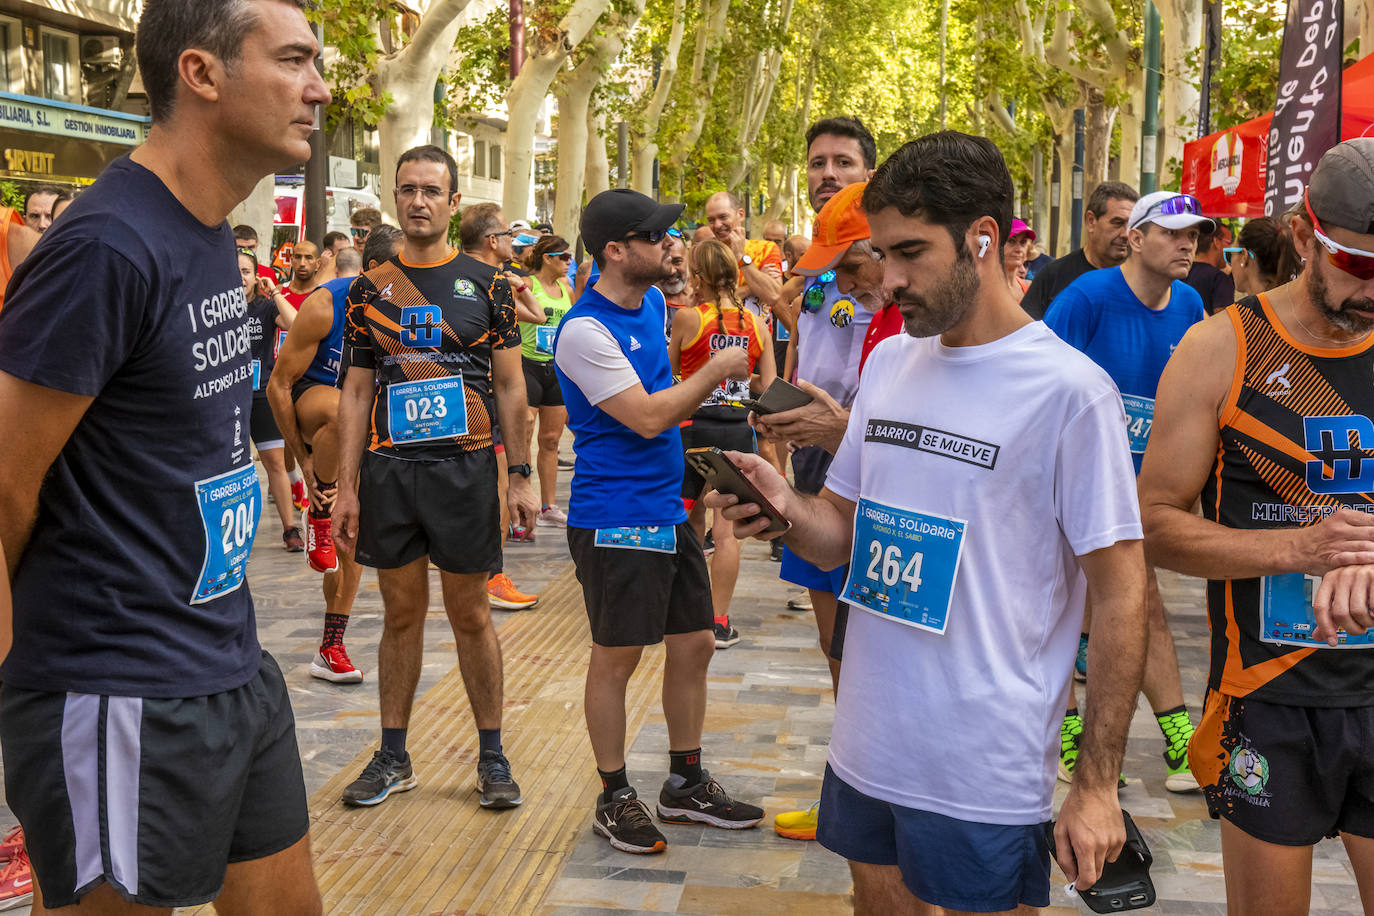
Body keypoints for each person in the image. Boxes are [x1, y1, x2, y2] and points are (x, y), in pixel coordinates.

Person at [711, 130, 1148, 912]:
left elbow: (1122, 594)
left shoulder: (1071, 393)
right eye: (881, 254)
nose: (889, 279)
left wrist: (1097, 785)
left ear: (983, 238)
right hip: (867, 746)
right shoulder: (889, 363)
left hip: (983, 764)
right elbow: (841, 527)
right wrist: (779, 507)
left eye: (910, 252)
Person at [0, 1, 331, 911]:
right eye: (295, 60)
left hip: (231, 666)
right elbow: (2, 483)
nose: (319, 87)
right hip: (115, 686)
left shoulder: (206, 226)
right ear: (201, 73)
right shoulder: (106, 245)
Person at [1140, 138, 1374, 915]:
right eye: (1361, 265)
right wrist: (1301, 549)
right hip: (1269, 696)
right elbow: (1152, 525)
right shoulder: (1220, 348)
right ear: (1305, 238)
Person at [554, 188, 765, 855]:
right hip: (614, 515)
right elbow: (646, 415)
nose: (669, 245)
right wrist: (719, 371)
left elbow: (659, 382)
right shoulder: (585, 332)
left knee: (696, 643)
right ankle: (614, 794)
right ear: (616, 252)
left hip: (664, 507)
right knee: (618, 657)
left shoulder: (649, 302)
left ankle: (685, 780)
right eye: (655, 238)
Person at [333, 144, 537, 810]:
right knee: (399, 615)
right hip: (391, 472)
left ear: (453, 202)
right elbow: (356, 392)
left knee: (471, 613)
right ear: (395, 199)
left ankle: (493, 756)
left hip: (466, 469)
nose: (417, 201)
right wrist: (346, 486)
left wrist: (521, 474)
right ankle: (393, 755)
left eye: (431, 190)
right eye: (407, 189)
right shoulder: (370, 289)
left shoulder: (490, 285)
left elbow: (511, 386)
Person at [1045, 190, 1210, 794]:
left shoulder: (1191, 304)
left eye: (1195, 233)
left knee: (1143, 607)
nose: (1187, 243)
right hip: (1067, 486)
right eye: (1172, 232)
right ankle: (1063, 731)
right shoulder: (1084, 299)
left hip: (1140, 495)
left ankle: (1179, 743)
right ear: (1136, 238)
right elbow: (1039, 383)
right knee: (1063, 607)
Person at [763, 117, 877, 843]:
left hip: (881, 456)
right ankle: (847, 797)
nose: (828, 173)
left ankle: (877, 801)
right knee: (837, 648)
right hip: (815, 456)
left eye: (843, 161)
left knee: (876, 644)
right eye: (818, 163)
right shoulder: (813, 267)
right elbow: (805, 348)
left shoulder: (889, 259)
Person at [270, 230, 401, 686]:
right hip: (317, 407)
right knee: (343, 410)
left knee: (352, 543)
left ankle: (331, 647)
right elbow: (278, 385)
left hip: (367, 426)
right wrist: (303, 462)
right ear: (372, 273)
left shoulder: (415, 309)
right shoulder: (326, 305)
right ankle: (318, 506)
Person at [669, 238, 777, 649]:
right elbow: (766, 387)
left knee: (689, 521)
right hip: (737, 431)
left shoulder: (687, 319)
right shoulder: (756, 324)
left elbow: (672, 375)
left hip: (692, 430)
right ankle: (718, 619)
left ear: (698, 278)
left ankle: (686, 609)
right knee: (727, 530)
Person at [459, 202, 544, 611]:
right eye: (509, 236)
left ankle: (484, 572)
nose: (514, 243)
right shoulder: (491, 281)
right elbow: (538, 317)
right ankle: (491, 577)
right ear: (493, 241)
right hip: (484, 401)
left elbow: (537, 315)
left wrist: (519, 285)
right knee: (495, 490)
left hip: (463, 402)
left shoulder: (477, 276)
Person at [241, 248, 303, 551]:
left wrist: (275, 291)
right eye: (234, 270)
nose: (240, 277)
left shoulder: (266, 308)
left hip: (261, 394)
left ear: (256, 276)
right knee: (230, 467)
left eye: (245, 271)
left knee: (275, 465)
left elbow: (295, 324)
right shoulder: (216, 306)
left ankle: (290, 529)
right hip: (229, 397)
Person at [1020, 181, 1139, 319]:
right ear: (1091, 221)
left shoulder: (1143, 282)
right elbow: (1026, 333)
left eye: (1131, 225)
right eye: (1117, 223)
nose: (1125, 234)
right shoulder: (1054, 276)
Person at [520, 234, 575, 526]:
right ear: (547, 258)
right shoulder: (528, 285)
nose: (569, 262)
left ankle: (548, 506)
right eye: (564, 257)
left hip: (556, 370)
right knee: (525, 434)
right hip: (527, 365)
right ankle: (522, 499)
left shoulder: (565, 287)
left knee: (551, 440)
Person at [702, 191, 783, 314]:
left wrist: (741, 256)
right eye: (711, 220)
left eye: (723, 217)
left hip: (757, 332)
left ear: (740, 214)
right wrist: (753, 287)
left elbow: (773, 296)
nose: (717, 225)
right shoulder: (706, 255)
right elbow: (707, 301)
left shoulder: (767, 249)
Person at [1230, 215, 1302, 296]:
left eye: (1229, 255)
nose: (1230, 267)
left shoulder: (1242, 308)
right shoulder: (1296, 303)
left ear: (1244, 256)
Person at [1184, 221, 1236, 315]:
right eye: (1228, 243)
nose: (1231, 249)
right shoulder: (1219, 279)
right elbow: (1224, 324)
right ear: (1216, 242)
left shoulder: (1179, 274)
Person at [1002, 217, 1035, 302]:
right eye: (1011, 241)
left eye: (1023, 242)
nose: (1019, 249)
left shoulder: (1030, 289)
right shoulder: (984, 289)